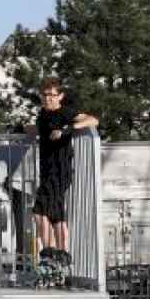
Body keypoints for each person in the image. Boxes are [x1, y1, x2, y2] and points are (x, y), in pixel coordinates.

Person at [28, 77, 99, 262]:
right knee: (56, 213)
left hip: (59, 171)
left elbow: (93, 120)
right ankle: (62, 255)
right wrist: (24, 129)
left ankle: (49, 252)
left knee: (38, 211)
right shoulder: (43, 114)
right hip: (46, 171)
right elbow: (39, 130)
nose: (48, 99)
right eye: (44, 95)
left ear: (60, 96)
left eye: (52, 95)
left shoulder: (64, 113)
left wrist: (68, 129)